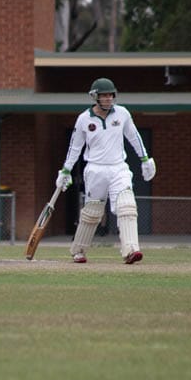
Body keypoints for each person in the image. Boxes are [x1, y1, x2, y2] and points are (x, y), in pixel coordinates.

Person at [56, 77, 156, 264]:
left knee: (127, 206)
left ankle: (131, 250)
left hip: (119, 167)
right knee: (92, 212)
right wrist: (66, 170)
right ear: (95, 97)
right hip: (95, 169)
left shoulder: (122, 113)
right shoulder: (84, 119)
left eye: (111, 95)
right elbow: (75, 147)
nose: (109, 99)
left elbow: (134, 137)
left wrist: (145, 159)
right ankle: (78, 250)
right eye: (104, 96)